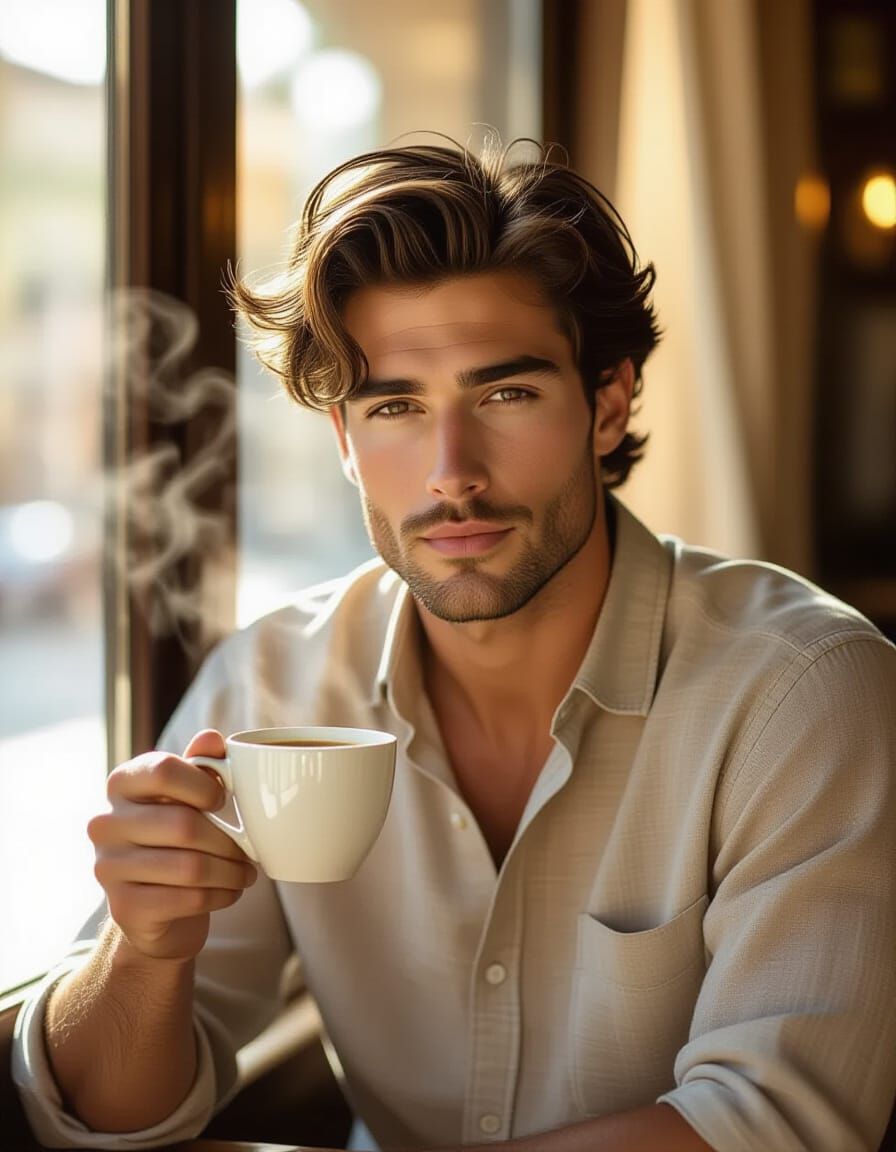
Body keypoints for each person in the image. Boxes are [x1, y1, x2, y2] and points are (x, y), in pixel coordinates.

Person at [12, 138, 896, 1152]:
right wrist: (143, 945)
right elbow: (100, 1121)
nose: (449, 474)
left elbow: (774, 1127)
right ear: (344, 442)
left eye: (504, 394)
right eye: (394, 407)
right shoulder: (272, 680)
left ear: (606, 403)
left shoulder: (803, 691)